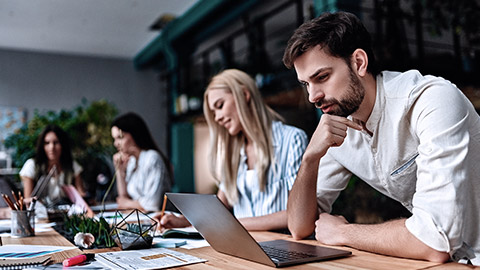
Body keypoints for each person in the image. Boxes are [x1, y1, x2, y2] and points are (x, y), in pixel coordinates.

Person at [282, 11, 480, 265]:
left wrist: (343, 232)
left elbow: (434, 240)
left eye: (322, 77)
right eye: (305, 84)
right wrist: (310, 158)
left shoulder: (430, 101)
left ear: (359, 62)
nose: (312, 96)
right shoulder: (340, 125)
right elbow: (299, 228)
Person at [157, 69, 308, 231]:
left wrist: (235, 224)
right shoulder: (234, 153)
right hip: (242, 249)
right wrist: (183, 220)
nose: (217, 118)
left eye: (220, 106)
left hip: (282, 247)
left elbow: (299, 214)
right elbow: (219, 206)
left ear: (244, 95)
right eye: (213, 112)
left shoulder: (292, 139)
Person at [111, 112, 173, 212]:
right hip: (140, 218)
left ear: (134, 135)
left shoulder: (152, 158)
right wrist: (119, 170)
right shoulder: (132, 161)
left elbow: (152, 204)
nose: (116, 144)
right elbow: (123, 197)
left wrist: (127, 203)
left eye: (120, 137)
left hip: (158, 220)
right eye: (114, 139)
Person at [19, 124, 86, 204]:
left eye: (56, 142)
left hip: (68, 213)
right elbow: (28, 200)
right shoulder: (32, 166)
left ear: (63, 144)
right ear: (42, 146)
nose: (52, 147)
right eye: (47, 143)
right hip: (40, 214)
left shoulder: (72, 166)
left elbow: (81, 195)